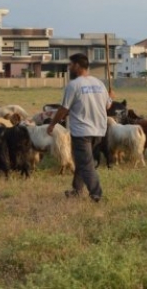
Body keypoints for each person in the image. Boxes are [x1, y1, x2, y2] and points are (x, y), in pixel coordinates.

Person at [47, 53, 113, 202]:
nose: (69, 67)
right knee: (82, 160)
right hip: (99, 130)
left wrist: (52, 124)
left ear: (77, 65)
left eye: (70, 65)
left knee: (86, 163)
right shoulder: (99, 84)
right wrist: (111, 96)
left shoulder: (74, 85)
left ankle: (96, 194)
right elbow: (108, 105)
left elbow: (64, 109)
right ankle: (77, 190)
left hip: (82, 131)